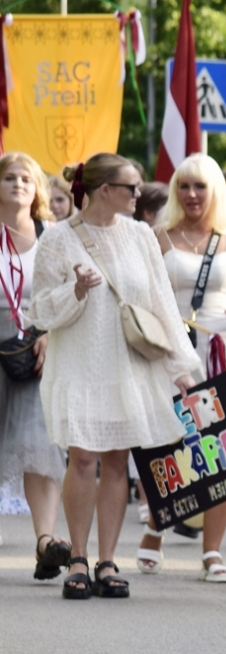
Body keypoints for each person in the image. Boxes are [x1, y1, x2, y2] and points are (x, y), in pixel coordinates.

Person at [32, 153, 200, 598]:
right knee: (83, 459)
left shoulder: (143, 235)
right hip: (81, 364)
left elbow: (163, 304)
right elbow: (40, 310)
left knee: (117, 461)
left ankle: (107, 561)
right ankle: (78, 559)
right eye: (132, 188)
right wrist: (77, 291)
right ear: (104, 190)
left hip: (129, 364)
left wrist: (181, 368)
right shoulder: (57, 238)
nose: (140, 195)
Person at [135, 153, 226, 582]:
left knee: (225, 452)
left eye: (200, 186)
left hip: (224, 350)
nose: (191, 194)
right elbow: (145, 303)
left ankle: (213, 552)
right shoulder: (158, 238)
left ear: (215, 192)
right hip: (173, 355)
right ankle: (155, 526)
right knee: (171, 449)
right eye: (183, 186)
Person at [0, 151, 69, 578]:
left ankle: (46, 541)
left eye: (26, 178)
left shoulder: (54, 236)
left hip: (35, 347)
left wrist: (49, 332)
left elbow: (66, 293)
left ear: (38, 189)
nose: (18, 184)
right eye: (9, 177)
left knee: (39, 443)